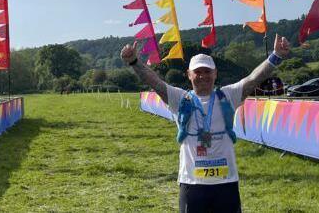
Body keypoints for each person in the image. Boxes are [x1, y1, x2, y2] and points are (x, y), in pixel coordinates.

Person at [121, 34, 290, 213]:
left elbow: (253, 79)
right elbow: (155, 82)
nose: (202, 76)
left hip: (226, 183)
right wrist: (134, 62)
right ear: (189, 75)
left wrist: (276, 56)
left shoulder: (228, 96)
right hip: (192, 184)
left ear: (215, 73)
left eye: (207, 71)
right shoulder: (180, 99)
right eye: (198, 72)